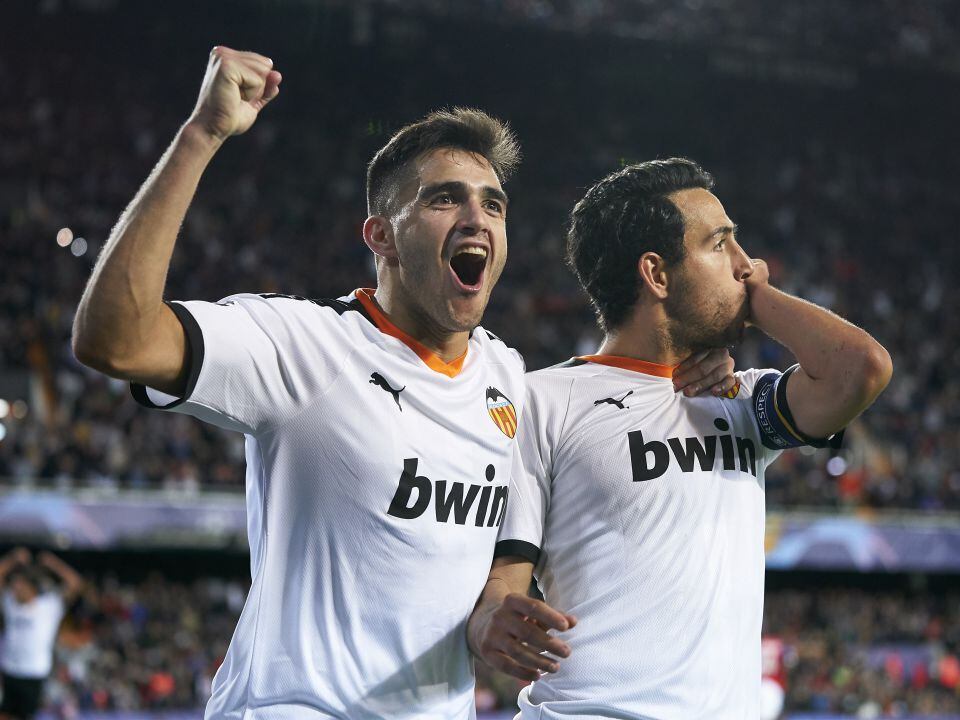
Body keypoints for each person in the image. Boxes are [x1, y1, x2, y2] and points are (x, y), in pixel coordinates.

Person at [71, 50, 735, 718]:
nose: (477, 217)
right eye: (445, 198)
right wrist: (201, 136)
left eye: (493, 204)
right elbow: (115, 339)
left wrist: (689, 373)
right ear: (381, 236)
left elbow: (593, 422)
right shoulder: (305, 344)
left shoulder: (507, 376)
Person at [467, 158, 893, 719]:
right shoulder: (543, 401)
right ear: (657, 274)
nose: (749, 266)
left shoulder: (742, 398)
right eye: (721, 246)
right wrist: (494, 621)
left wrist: (758, 301)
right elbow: (501, 585)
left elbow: (862, 369)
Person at [0, 548, 83, 720]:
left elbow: (75, 583)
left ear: (31, 588)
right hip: (10, 671)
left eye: (19, 585)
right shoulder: (10, 604)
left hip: (32, 674)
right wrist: (13, 559)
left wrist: (53, 563)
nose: (14, 589)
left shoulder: (49, 606)